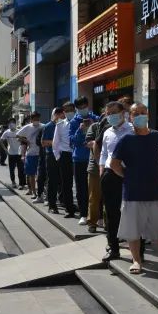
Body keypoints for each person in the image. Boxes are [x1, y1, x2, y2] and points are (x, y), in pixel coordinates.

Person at [109, 102, 158, 275]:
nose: (140, 116)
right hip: (132, 193)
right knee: (133, 231)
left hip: (154, 192)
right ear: (130, 117)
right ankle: (136, 260)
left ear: (148, 115)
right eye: (136, 113)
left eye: (143, 112)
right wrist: (127, 176)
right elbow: (114, 164)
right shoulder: (126, 139)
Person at [100, 101, 133, 262]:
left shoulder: (132, 130)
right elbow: (104, 153)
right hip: (110, 174)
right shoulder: (107, 132)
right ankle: (113, 247)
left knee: (132, 212)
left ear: (122, 113)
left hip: (129, 174)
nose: (111, 116)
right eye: (108, 113)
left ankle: (137, 251)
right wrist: (102, 170)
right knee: (111, 213)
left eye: (114, 112)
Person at [70, 96, 99, 226]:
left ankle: (97, 215)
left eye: (84, 106)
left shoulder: (96, 118)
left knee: (95, 188)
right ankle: (83, 214)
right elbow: (73, 141)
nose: (83, 109)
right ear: (76, 108)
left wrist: (93, 125)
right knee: (81, 187)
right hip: (79, 159)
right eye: (80, 107)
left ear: (88, 105)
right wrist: (80, 130)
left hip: (94, 158)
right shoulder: (74, 122)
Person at [85, 104, 112, 233]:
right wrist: (98, 143)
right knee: (94, 197)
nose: (110, 116)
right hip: (95, 168)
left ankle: (108, 223)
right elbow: (89, 143)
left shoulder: (116, 128)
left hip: (111, 168)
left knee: (109, 198)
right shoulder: (95, 126)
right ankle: (92, 222)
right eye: (108, 113)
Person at [52, 102, 77, 218]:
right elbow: (55, 142)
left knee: (80, 184)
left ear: (75, 110)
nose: (69, 112)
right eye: (66, 110)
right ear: (64, 112)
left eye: (71, 110)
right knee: (66, 184)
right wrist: (58, 157)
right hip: (65, 156)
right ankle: (69, 209)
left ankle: (84, 209)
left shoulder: (80, 122)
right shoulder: (60, 125)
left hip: (78, 155)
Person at [16, 112, 44, 197]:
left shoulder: (43, 126)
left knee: (41, 175)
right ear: (31, 119)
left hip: (41, 153)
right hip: (31, 154)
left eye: (38, 119)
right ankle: (33, 192)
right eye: (35, 119)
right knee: (31, 174)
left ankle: (42, 192)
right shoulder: (27, 127)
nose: (36, 121)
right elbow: (17, 135)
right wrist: (26, 140)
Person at [41, 108, 62, 212]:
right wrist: (56, 142)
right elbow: (43, 142)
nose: (62, 117)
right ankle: (52, 204)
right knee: (52, 180)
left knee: (62, 180)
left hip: (63, 155)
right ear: (56, 115)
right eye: (61, 115)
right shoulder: (49, 126)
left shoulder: (64, 125)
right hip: (51, 156)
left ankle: (63, 201)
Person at [0, 119, 25, 189]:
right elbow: (1, 141)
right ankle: (13, 182)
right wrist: (5, 150)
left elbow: (24, 140)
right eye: (10, 123)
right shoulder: (6, 132)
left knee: (20, 169)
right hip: (11, 153)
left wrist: (21, 139)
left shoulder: (19, 131)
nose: (11, 124)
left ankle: (21, 184)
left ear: (15, 124)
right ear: (8, 124)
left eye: (13, 123)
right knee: (11, 169)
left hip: (19, 153)